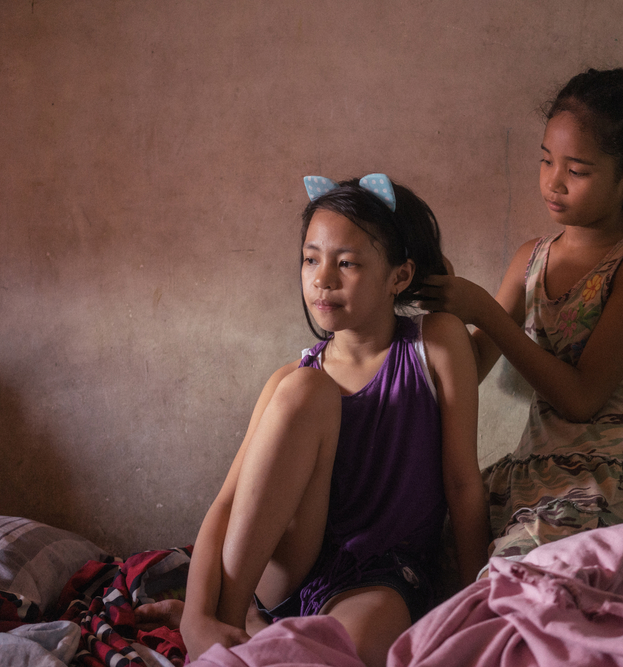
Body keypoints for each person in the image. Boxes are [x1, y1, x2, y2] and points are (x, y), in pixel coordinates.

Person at [146, 174, 489, 667]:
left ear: (399, 275)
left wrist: (479, 600)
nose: (321, 278)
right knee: (305, 391)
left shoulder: (435, 343)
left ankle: (258, 632)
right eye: (311, 259)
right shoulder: (294, 380)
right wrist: (196, 619)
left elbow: (462, 483)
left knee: (345, 651)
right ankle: (231, 619)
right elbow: (227, 505)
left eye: (346, 263)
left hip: (383, 574)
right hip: (288, 573)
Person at [418, 68, 623, 560]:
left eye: (577, 171)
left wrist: (484, 308)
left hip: (608, 479)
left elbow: (582, 398)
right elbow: (471, 367)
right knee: (423, 530)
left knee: (525, 573)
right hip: (531, 472)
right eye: (546, 161)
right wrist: (446, 305)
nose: (553, 182)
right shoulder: (532, 257)